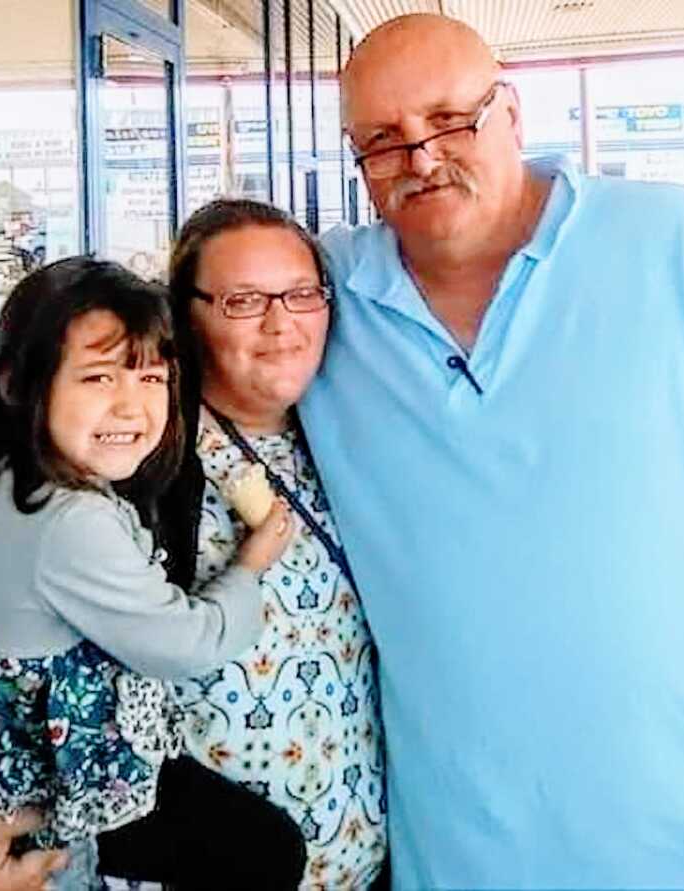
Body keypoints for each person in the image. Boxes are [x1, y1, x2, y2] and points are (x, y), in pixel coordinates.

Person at [296, 12, 684, 891]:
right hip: (461, 863)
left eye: (451, 119)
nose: (420, 157)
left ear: (514, 115)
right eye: (382, 141)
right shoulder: (313, 306)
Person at [0, 257, 304, 890]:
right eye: (96, 377)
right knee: (263, 851)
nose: (130, 406)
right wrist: (250, 567)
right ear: (15, 383)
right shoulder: (69, 521)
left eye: (150, 377)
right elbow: (184, 644)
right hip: (47, 802)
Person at [166, 199, 388, 889]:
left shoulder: (353, 441)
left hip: (364, 863)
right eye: (241, 300)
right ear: (183, 313)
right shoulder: (144, 463)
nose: (280, 324)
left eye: (300, 295)